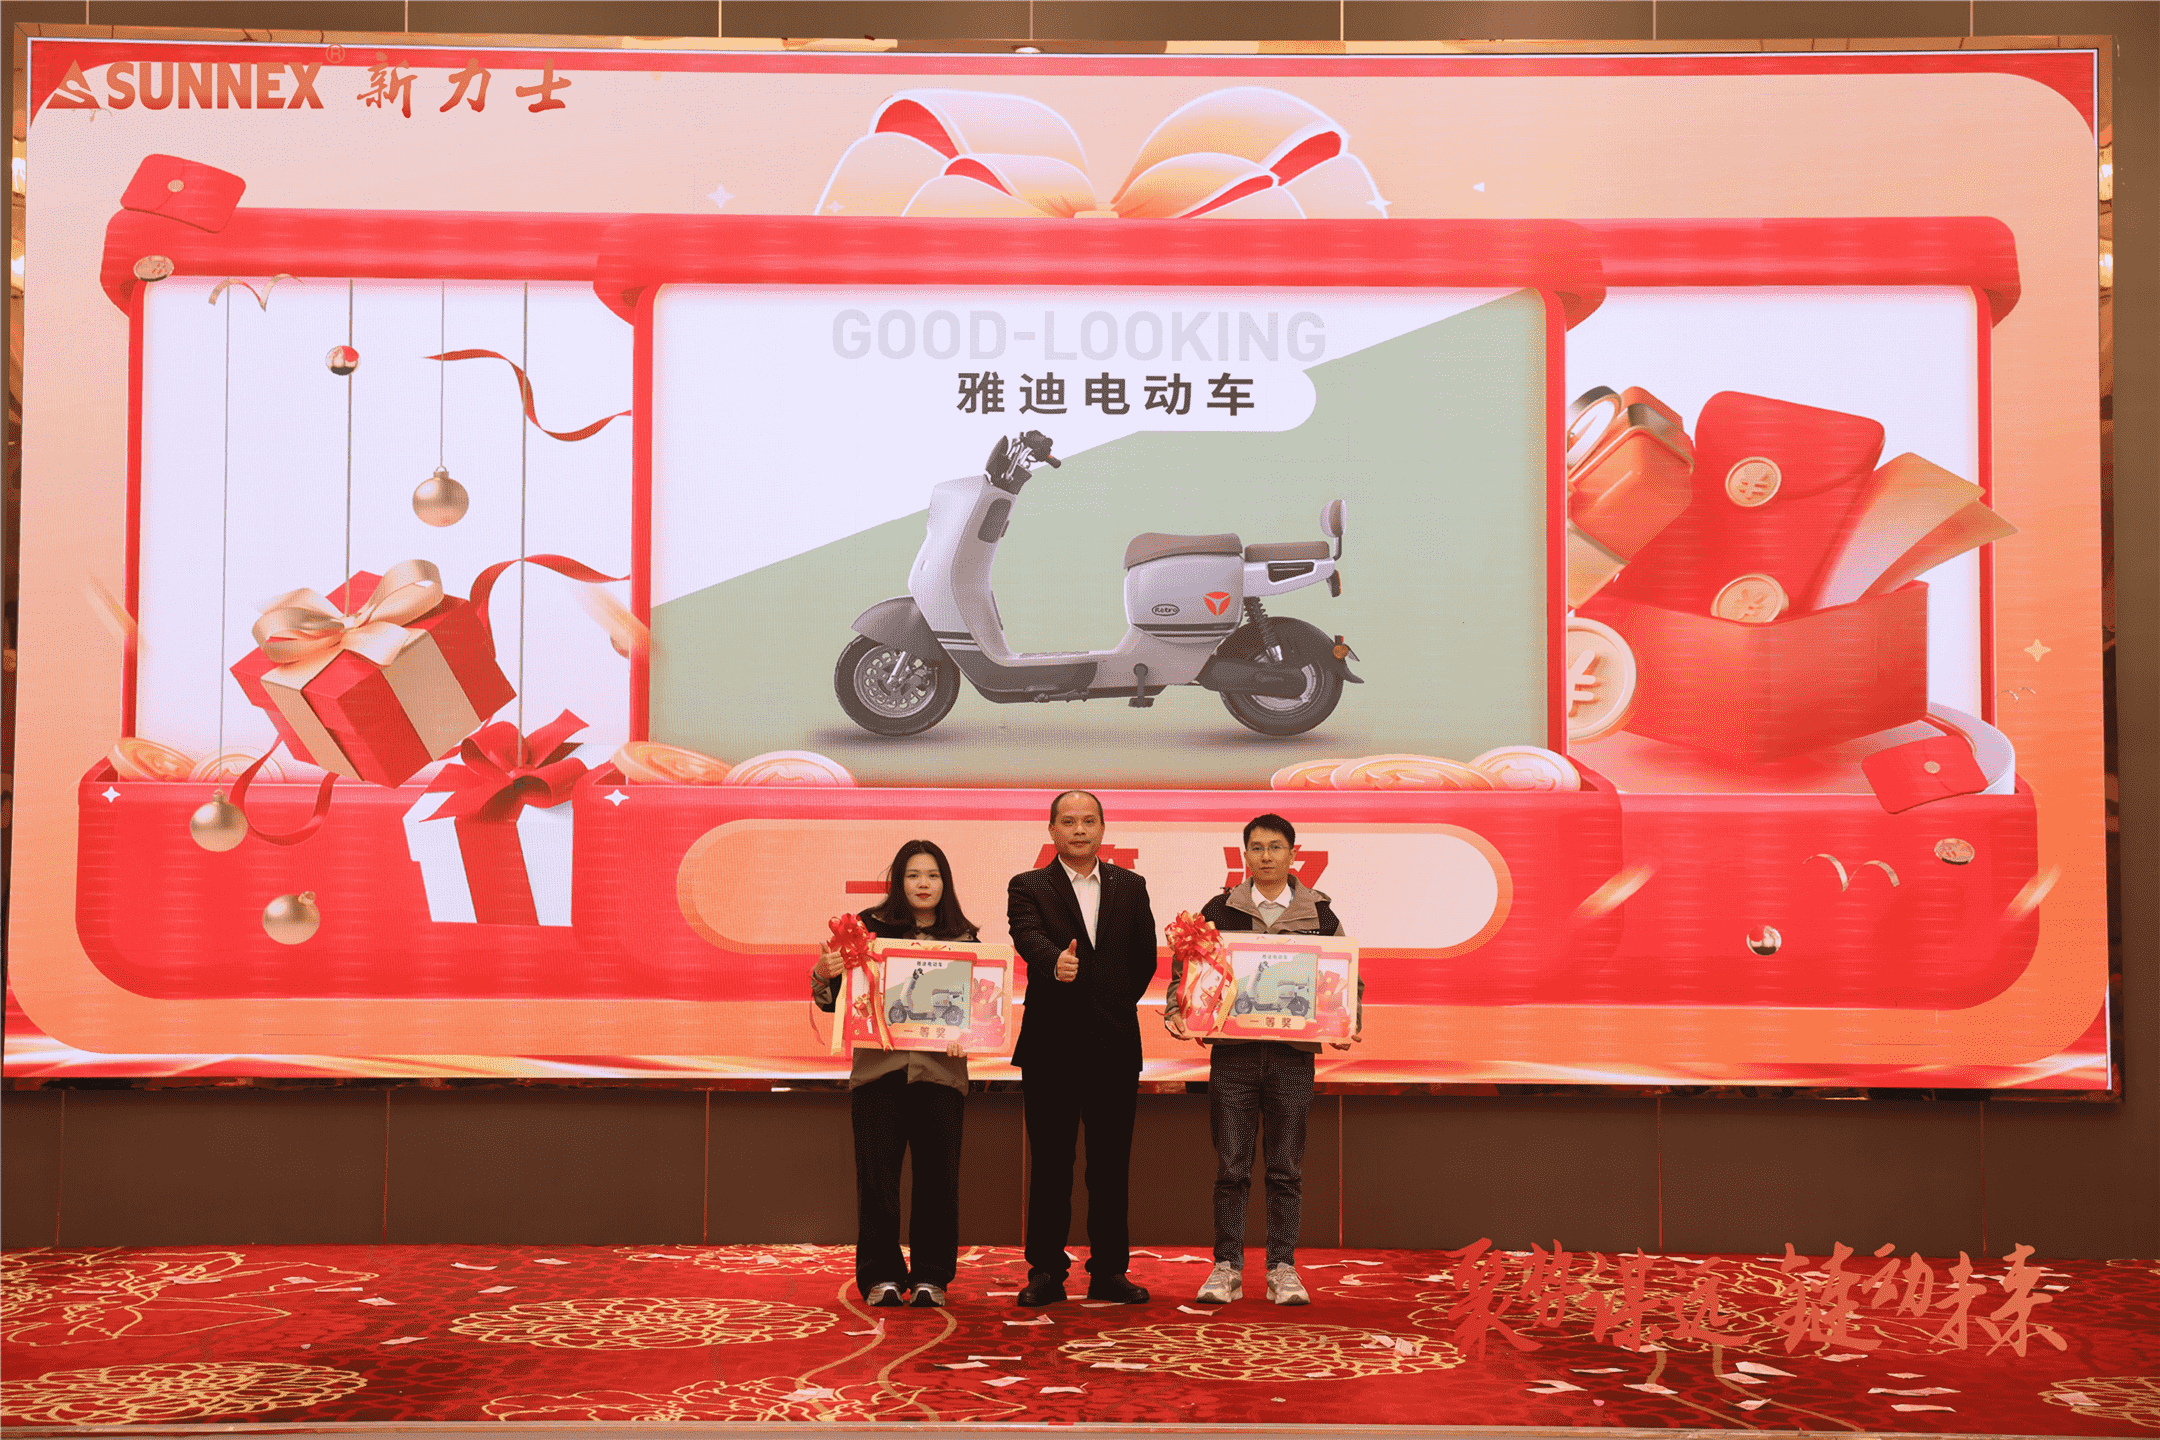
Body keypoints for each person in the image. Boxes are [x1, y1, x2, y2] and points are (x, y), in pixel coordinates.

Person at [1165, 812, 1362, 1307]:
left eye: (1276, 847)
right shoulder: (1219, 911)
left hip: (1293, 1059)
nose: (1267, 856)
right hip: (1233, 1058)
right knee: (1231, 1168)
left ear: (1294, 854)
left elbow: (1346, 978)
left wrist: (1345, 1020)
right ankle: (1226, 1267)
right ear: (1244, 855)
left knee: (1285, 1169)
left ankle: (1282, 1268)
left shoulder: (1320, 915)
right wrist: (1178, 1009)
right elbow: (1186, 970)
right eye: (1257, 848)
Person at [1007, 789, 1159, 1306]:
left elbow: (1143, 958)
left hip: (1114, 1044)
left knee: (1110, 1167)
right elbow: (1027, 936)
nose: (1079, 830)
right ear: (1051, 830)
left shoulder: (1130, 886)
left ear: (1102, 829)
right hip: (1050, 1047)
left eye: (1088, 821)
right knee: (1051, 1165)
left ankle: (1109, 1271)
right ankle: (1046, 1271)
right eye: (1068, 821)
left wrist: (1108, 1004)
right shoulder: (1029, 885)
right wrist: (1055, 962)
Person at [813, 838, 977, 1308]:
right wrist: (825, 973)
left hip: (940, 1076)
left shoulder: (966, 938)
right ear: (898, 881)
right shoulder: (866, 930)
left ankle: (931, 1275)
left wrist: (970, 1030)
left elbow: (979, 1011)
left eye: (933, 875)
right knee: (877, 1180)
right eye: (913, 875)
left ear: (945, 883)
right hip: (878, 1075)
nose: (923, 884)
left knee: (938, 1181)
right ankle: (880, 1274)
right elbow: (836, 1003)